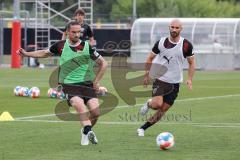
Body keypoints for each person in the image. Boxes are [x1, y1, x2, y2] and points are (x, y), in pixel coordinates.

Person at [18, 21, 108, 145]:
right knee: (79, 104)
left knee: (96, 113)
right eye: (74, 32)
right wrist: (26, 54)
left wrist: (96, 82)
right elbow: (44, 53)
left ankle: (85, 131)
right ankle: (88, 130)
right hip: (69, 84)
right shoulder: (60, 46)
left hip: (87, 84)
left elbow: (103, 63)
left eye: (79, 32)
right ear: (67, 32)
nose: (77, 34)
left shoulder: (86, 47)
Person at [137, 19, 195, 136]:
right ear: (169, 27)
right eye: (172, 27)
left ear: (181, 29)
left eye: (177, 28)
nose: (174, 30)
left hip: (175, 83)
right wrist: (146, 75)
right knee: (157, 104)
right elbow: (149, 58)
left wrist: (189, 79)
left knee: (162, 110)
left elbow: (191, 62)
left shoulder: (186, 45)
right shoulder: (161, 42)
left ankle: (142, 128)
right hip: (160, 79)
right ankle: (149, 103)